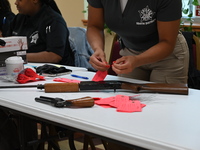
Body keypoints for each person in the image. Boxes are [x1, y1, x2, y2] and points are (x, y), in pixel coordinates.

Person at [86, 0, 189, 84]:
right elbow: (94, 26)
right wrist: (97, 49)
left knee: (163, 104)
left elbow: (167, 42)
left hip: (167, 57)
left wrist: (137, 60)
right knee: (126, 101)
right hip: (130, 52)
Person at [6, 0, 74, 66]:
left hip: (54, 72)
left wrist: (18, 57)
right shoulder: (19, 19)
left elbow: (54, 56)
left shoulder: (53, 20)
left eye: (20, 0)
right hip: (24, 67)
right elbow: (6, 44)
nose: (16, 3)